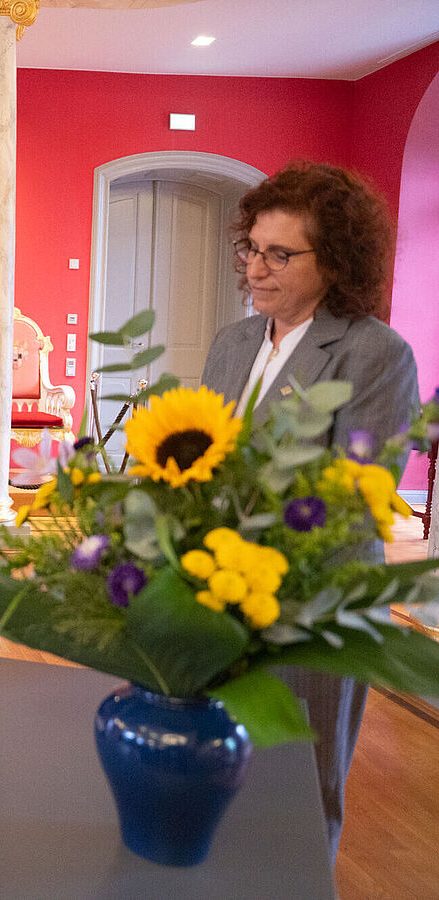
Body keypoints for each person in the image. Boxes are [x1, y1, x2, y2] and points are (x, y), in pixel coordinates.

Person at [201, 161, 419, 861]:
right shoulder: (234, 343)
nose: (256, 269)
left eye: (279, 254)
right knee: (222, 769)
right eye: (251, 249)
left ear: (335, 263)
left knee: (300, 784)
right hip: (218, 594)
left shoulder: (374, 353)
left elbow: (355, 494)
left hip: (314, 607)